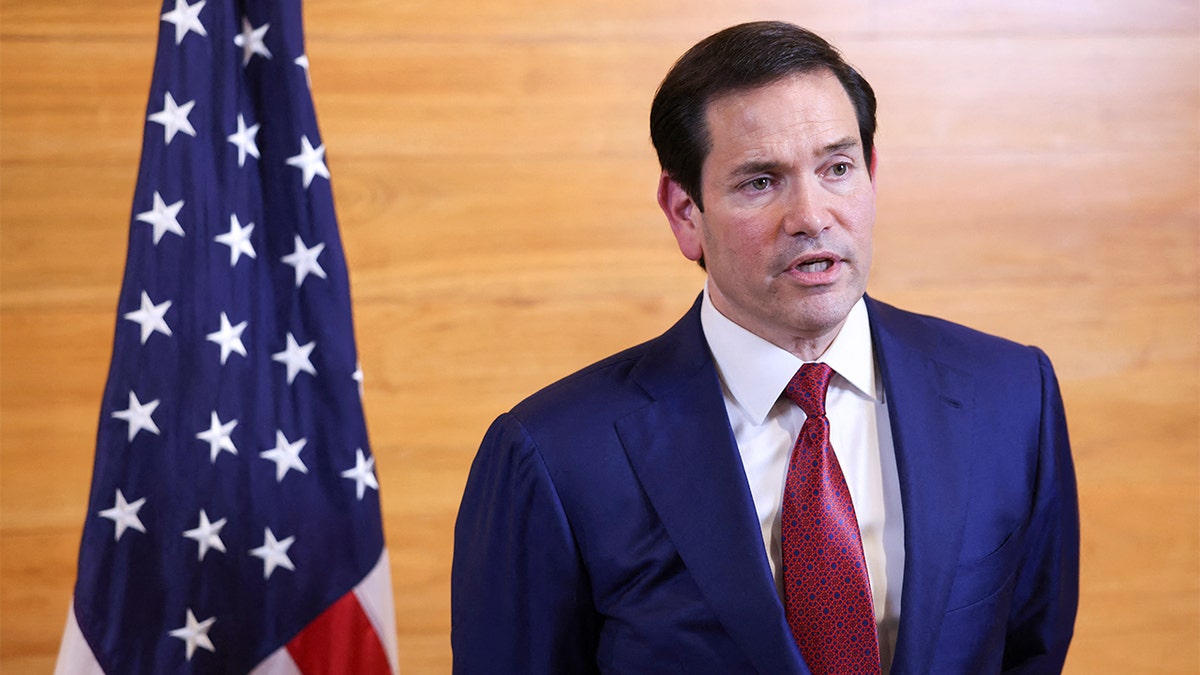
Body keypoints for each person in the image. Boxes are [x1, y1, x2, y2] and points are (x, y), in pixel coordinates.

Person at [451, 21, 1078, 674]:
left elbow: (1030, 650)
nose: (811, 215)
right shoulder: (552, 454)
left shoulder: (1011, 396)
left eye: (837, 168)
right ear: (685, 212)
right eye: (760, 182)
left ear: (871, 174)